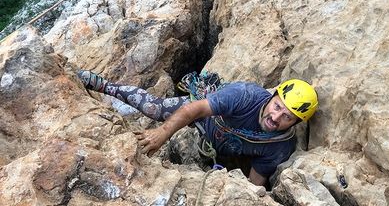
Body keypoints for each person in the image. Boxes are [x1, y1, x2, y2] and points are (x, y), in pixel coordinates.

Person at [77, 70, 318, 187]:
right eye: (277, 106)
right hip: (206, 119)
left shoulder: (280, 146)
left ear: (296, 123)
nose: (275, 117)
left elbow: (257, 178)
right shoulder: (245, 96)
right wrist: (162, 132)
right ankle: (104, 85)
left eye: (287, 116)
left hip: (219, 147)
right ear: (272, 96)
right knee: (153, 108)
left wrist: (253, 199)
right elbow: (195, 110)